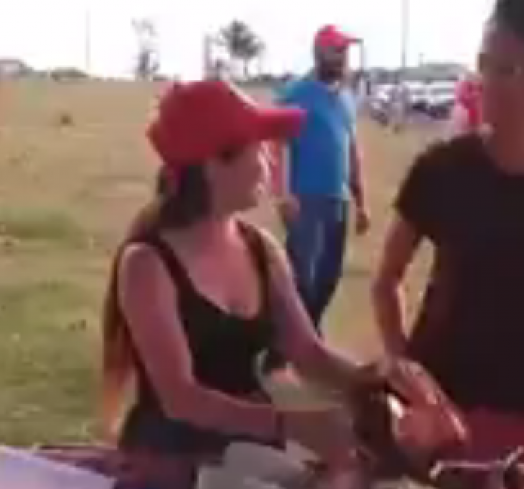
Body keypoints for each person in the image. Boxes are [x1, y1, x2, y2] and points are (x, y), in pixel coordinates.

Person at [371, 0, 524, 466]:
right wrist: (403, 369)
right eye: (483, 63)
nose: (484, 82)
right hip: (438, 411)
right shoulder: (440, 169)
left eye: (506, 68)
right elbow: (386, 281)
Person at [100, 80, 372, 463]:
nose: (270, 163)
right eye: (258, 149)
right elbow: (181, 398)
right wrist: (290, 425)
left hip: (250, 463)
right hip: (169, 468)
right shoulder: (147, 264)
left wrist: (379, 384)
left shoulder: (261, 249)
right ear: (213, 165)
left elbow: (309, 354)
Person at [272, 25, 370, 335]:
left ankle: (308, 337)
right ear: (319, 53)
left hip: (337, 200)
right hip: (306, 199)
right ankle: (288, 345)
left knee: (329, 276)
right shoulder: (296, 94)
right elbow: (281, 145)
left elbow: (352, 150)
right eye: (337, 51)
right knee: (301, 277)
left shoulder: (346, 98)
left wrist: (361, 202)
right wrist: (284, 193)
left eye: (346, 52)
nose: (343, 58)